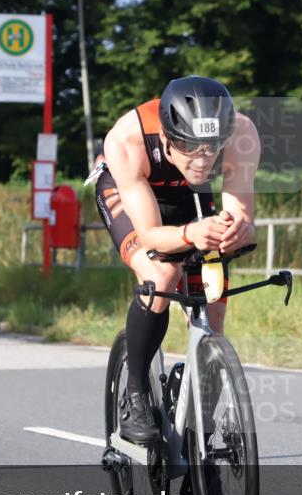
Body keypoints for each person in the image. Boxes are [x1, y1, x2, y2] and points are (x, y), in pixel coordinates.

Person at [88, 76, 260, 444]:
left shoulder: (241, 133)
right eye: (191, 148)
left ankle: (200, 434)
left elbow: (239, 208)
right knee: (161, 273)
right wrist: (189, 235)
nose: (203, 159)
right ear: (167, 137)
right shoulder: (127, 140)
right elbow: (150, 234)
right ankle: (134, 395)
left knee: (212, 309)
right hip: (129, 190)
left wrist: (236, 230)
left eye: (212, 148)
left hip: (189, 197)